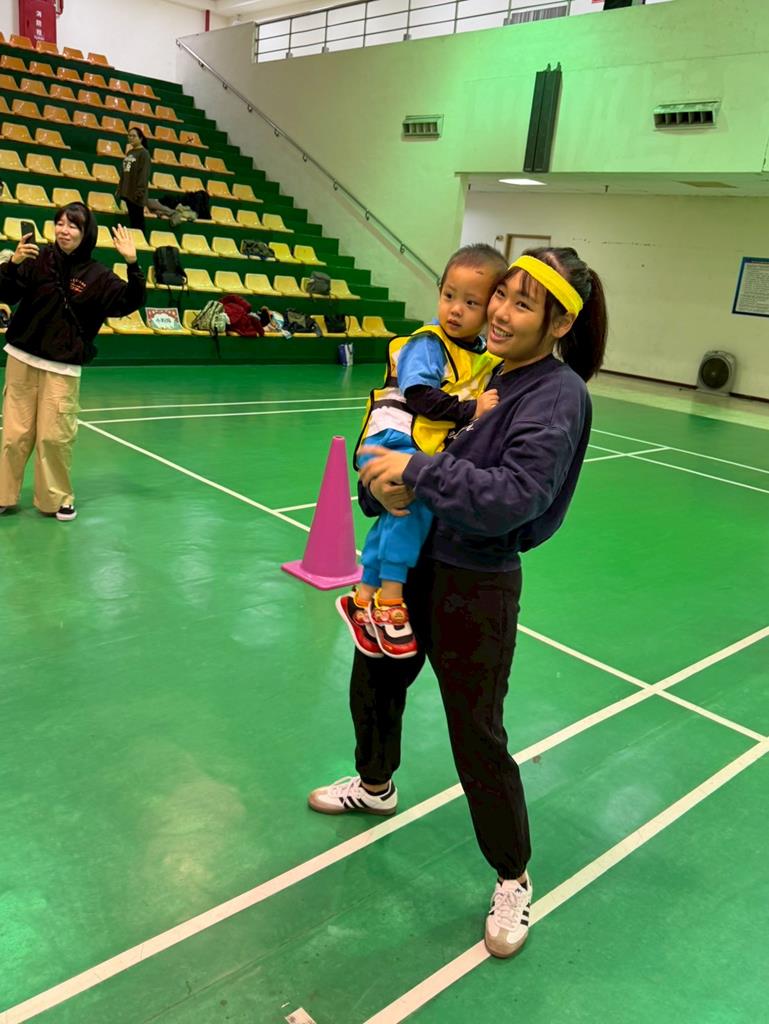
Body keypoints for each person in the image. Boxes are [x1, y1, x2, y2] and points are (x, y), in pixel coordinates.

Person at [309, 246, 607, 959]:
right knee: (374, 682)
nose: (497, 312)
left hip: (474, 584)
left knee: (476, 732)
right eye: (499, 295)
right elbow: (408, 439)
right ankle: (375, 784)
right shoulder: (477, 369)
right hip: (410, 565)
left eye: (520, 304)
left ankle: (512, 875)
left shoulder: (556, 395)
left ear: (559, 323)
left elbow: (514, 496)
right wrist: (377, 487)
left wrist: (415, 471)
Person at [336, 243, 507, 659]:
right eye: (449, 295)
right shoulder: (429, 344)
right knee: (412, 506)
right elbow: (419, 396)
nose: (455, 309)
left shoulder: (480, 355)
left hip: (413, 441)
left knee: (395, 513)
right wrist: (471, 409)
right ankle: (391, 597)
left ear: (490, 310)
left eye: (471, 303)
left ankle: (363, 596)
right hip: (392, 439)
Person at [0, 202, 146, 521]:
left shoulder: (98, 275)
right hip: (22, 357)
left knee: (54, 437)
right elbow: (6, 294)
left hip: (62, 366)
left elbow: (129, 302)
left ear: (85, 233)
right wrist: (12, 264)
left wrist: (132, 263)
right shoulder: (37, 259)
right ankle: (3, 494)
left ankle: (56, 498)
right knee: (14, 434)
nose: (64, 230)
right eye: (60, 223)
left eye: (73, 225)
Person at [118, 126, 151, 232]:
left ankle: (140, 240)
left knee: (138, 222)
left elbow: (144, 174)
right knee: (133, 221)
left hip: (136, 195)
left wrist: (139, 192)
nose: (131, 138)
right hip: (128, 193)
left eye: (134, 136)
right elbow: (124, 172)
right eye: (129, 136)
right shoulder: (130, 152)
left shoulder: (144, 153)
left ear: (140, 138)